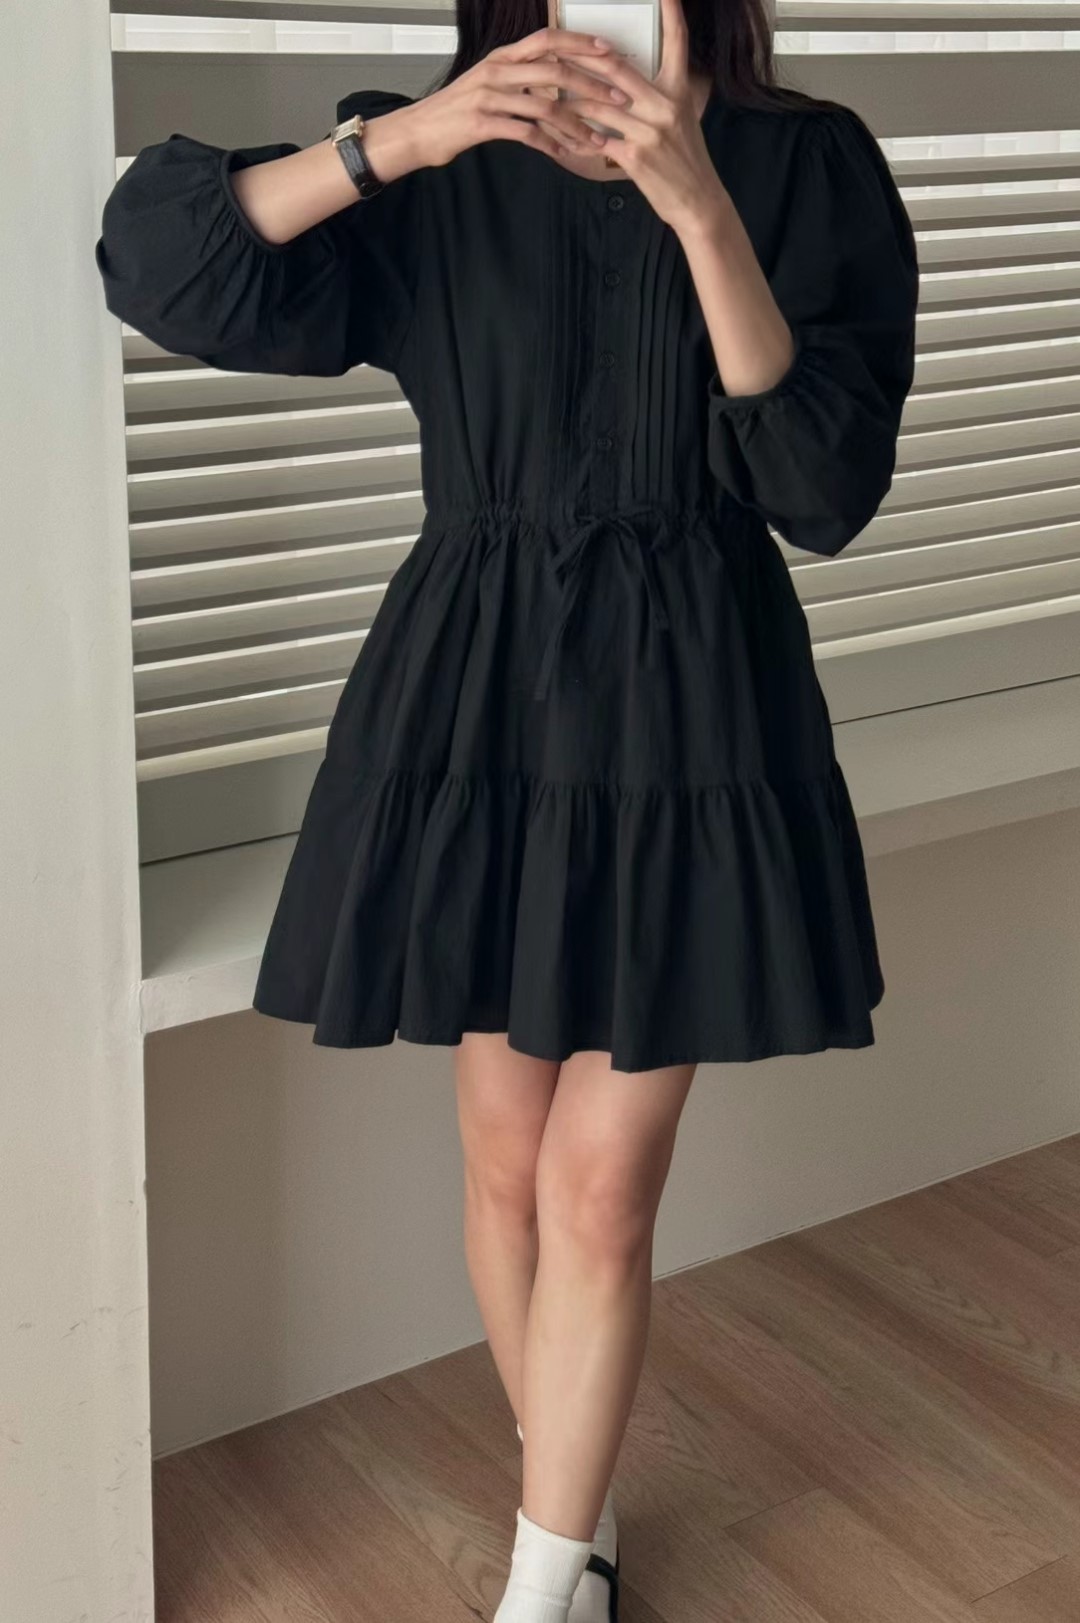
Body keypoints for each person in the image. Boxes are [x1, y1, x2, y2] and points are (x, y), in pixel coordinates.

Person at [94, 0, 919, 1616]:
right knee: (502, 1158)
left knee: (599, 1184)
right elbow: (161, 262)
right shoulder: (440, 157)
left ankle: (539, 1592)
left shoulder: (806, 164)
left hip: (697, 702)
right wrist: (409, 134)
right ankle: (575, 1516)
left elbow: (822, 488)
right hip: (481, 694)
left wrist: (697, 203)